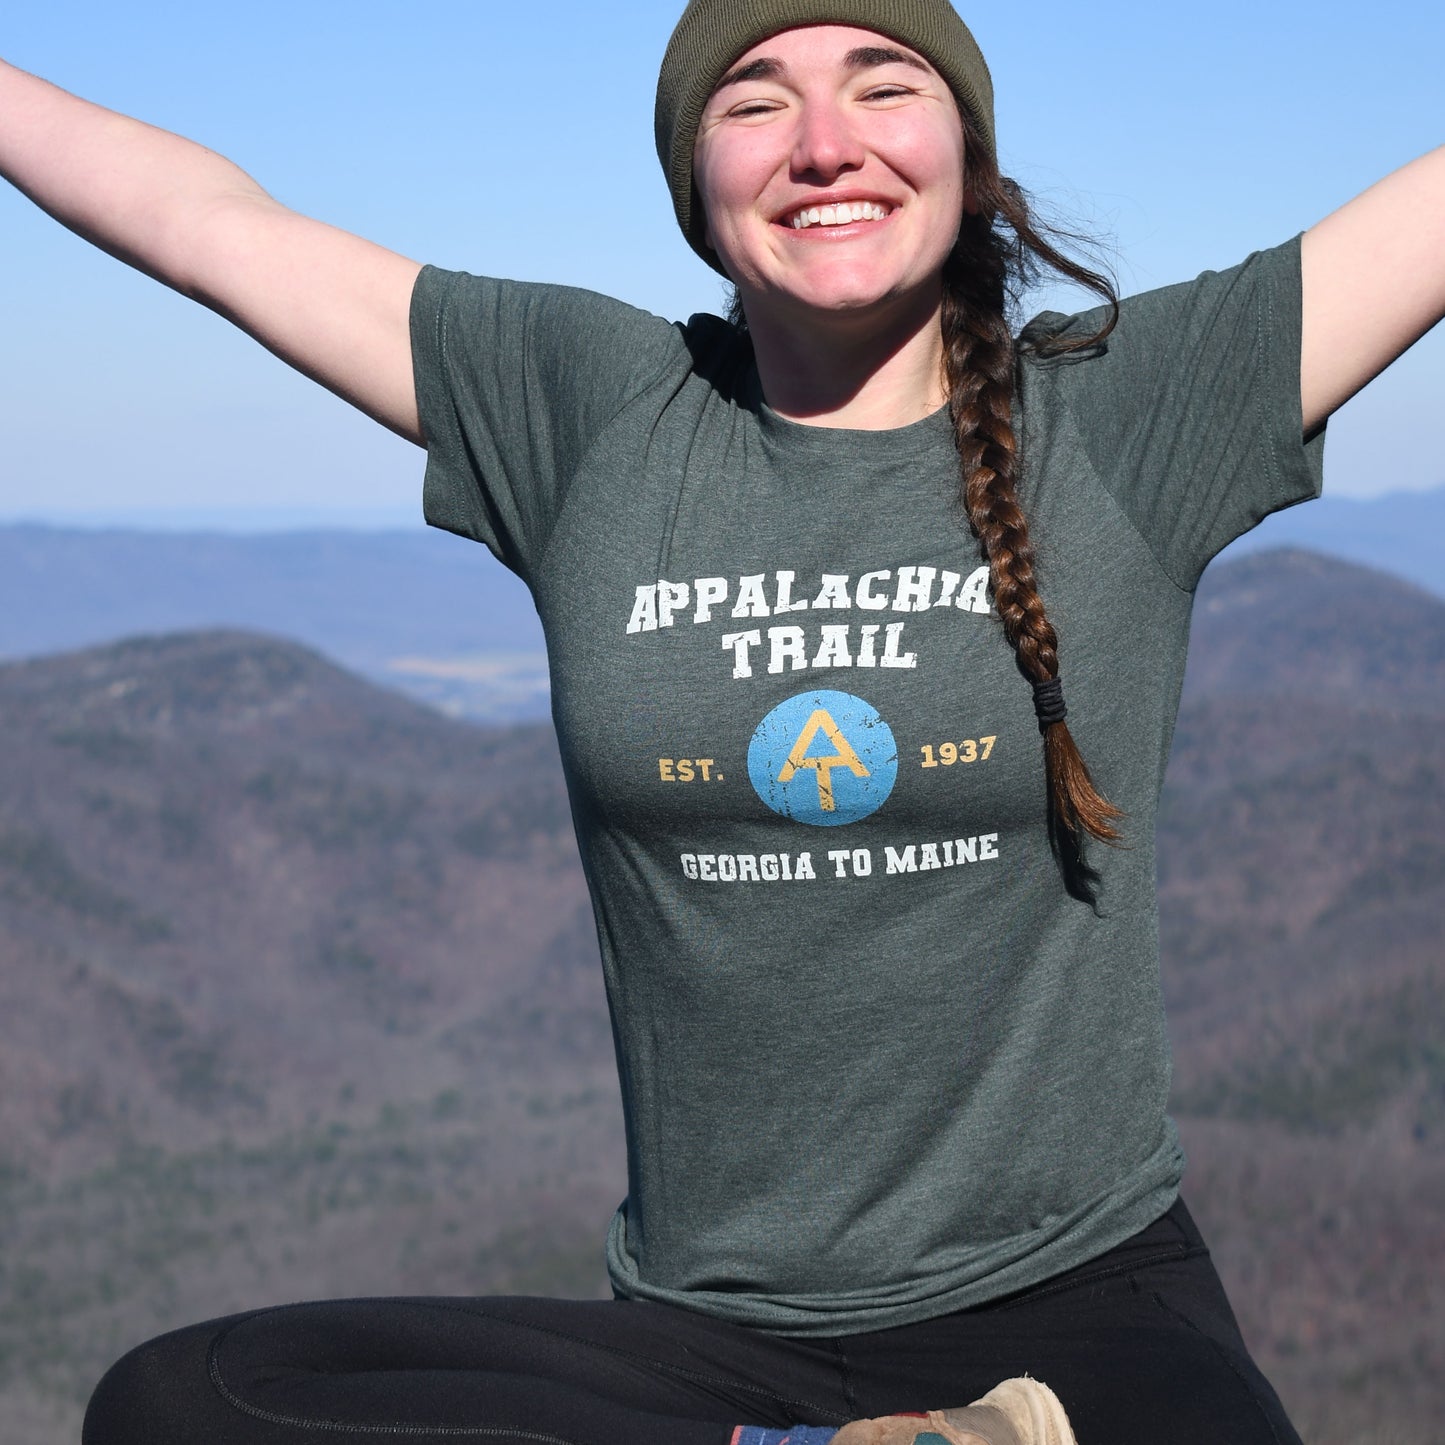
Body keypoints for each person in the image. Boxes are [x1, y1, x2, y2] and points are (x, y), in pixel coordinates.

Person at [4, 2, 1441, 1442]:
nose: (825, 146)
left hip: (1082, 1310)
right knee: (182, 1402)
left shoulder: (1130, 413)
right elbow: (205, 222)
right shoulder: (590, 408)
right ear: (695, 182)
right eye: (753, 103)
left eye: (882, 86)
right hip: (708, 1346)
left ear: (965, 153)